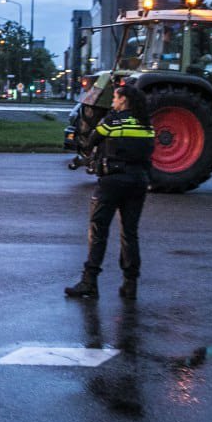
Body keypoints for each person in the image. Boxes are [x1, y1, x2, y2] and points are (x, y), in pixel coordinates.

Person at [65, 84, 154, 300]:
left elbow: (89, 142)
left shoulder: (112, 123)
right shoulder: (147, 126)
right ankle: (130, 283)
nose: (112, 101)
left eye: (115, 98)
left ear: (123, 100)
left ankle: (89, 282)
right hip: (138, 182)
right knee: (129, 233)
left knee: (98, 230)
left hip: (111, 182)